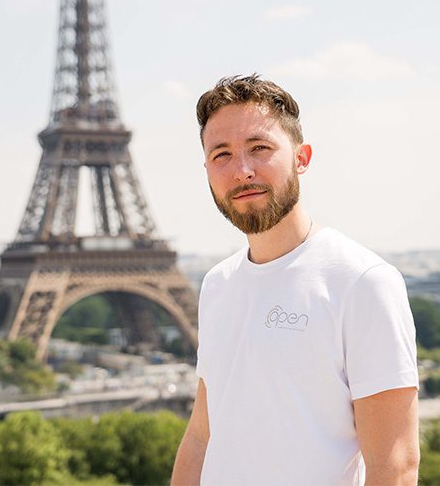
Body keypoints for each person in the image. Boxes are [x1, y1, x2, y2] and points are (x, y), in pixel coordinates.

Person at [171, 75, 420, 486]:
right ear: (206, 170)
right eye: (222, 154)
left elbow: (393, 466)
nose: (242, 170)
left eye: (260, 148)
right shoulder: (217, 285)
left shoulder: (363, 282)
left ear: (302, 158)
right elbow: (202, 435)